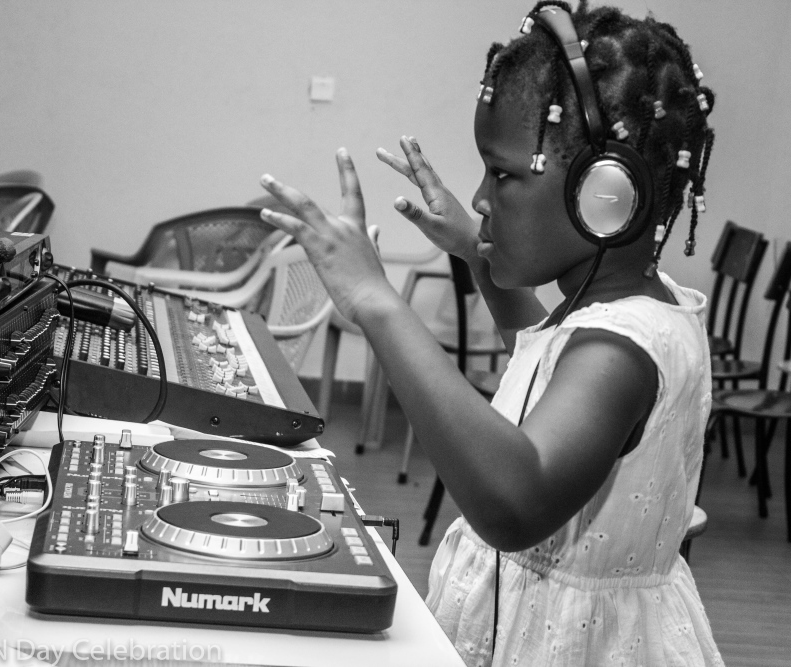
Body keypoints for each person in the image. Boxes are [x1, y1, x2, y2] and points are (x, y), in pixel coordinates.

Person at [257, 1, 723, 664]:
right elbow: (539, 357)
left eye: (502, 175)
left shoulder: (620, 350)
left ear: (604, 195)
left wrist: (376, 303)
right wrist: (479, 257)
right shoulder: (618, 310)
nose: (479, 197)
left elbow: (515, 502)